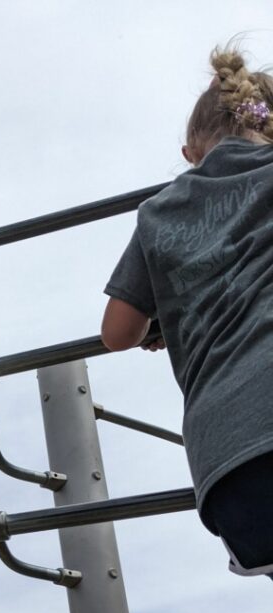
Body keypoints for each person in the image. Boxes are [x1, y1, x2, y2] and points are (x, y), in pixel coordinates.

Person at [101, 46, 273, 578]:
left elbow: (117, 332)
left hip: (229, 460)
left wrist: (168, 317)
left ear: (189, 152)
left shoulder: (159, 211)